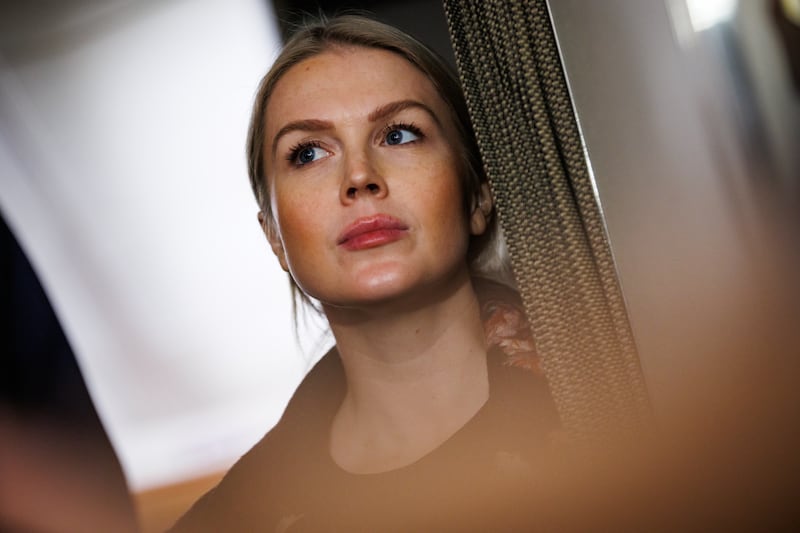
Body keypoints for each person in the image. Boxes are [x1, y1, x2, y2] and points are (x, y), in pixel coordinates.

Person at [171, 14, 558, 532]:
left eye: (399, 134)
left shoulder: (637, 390)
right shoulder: (231, 522)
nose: (359, 177)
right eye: (307, 153)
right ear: (274, 238)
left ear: (476, 195)